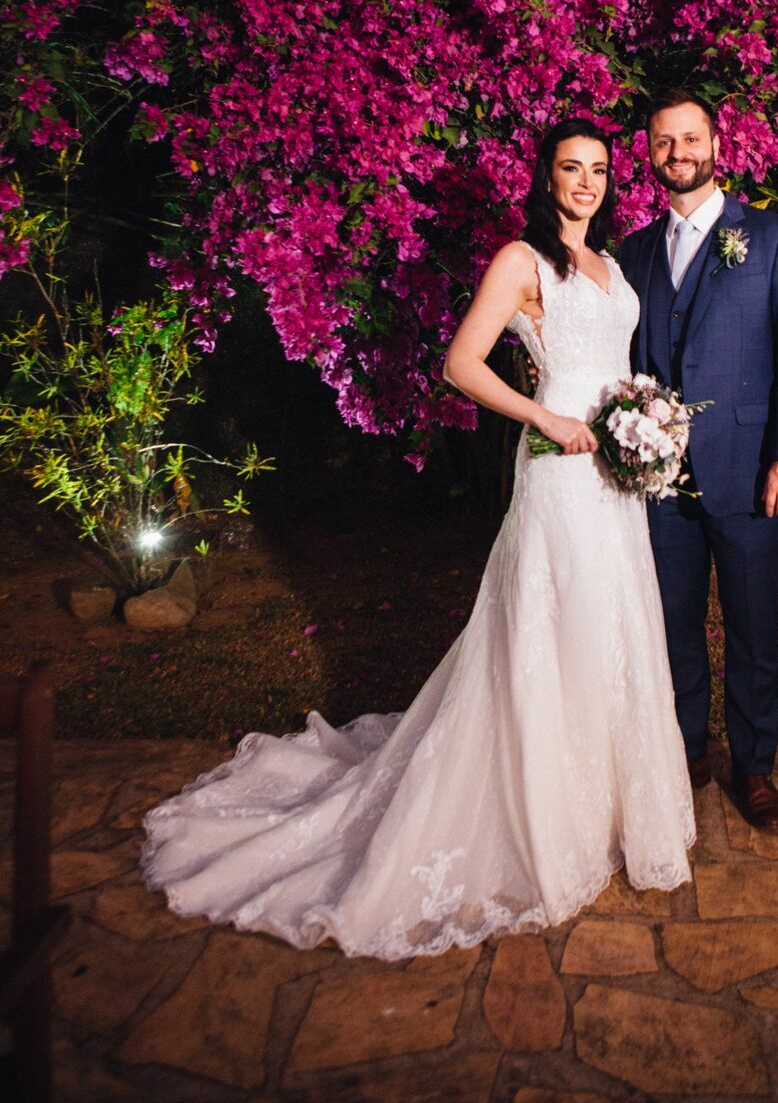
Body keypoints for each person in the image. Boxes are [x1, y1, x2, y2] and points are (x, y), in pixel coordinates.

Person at [140, 119, 694, 959]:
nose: (586, 182)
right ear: (545, 179)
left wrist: (644, 427)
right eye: (570, 169)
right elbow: (461, 364)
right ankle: (545, 819)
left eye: (599, 170)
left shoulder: (611, 268)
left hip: (613, 480)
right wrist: (545, 415)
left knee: (612, 632)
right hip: (554, 466)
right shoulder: (521, 259)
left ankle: (609, 810)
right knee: (554, 634)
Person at [619, 89, 778, 828]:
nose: (678, 153)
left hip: (747, 473)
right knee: (670, 624)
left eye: (690, 138)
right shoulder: (633, 252)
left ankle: (754, 766)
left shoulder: (770, 237)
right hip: (658, 482)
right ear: (649, 155)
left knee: (750, 630)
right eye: (663, 142)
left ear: (715, 142)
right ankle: (686, 751)